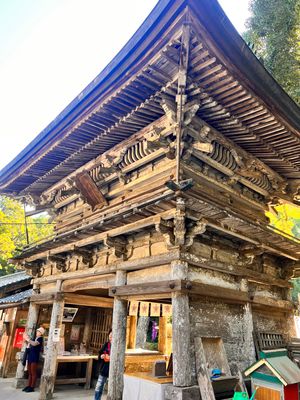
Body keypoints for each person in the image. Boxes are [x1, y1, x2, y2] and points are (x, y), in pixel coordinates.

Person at [22, 326, 45, 393]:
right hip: (30, 357)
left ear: (41, 333)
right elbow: (31, 345)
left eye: (38, 331)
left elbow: (34, 344)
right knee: (29, 373)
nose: (37, 332)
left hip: (34, 357)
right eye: (37, 331)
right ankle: (28, 386)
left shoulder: (40, 339)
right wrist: (27, 341)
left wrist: (28, 339)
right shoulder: (35, 338)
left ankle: (32, 387)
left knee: (33, 372)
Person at [94, 330, 112, 400]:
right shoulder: (106, 344)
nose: (110, 337)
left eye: (112, 336)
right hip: (104, 368)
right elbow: (100, 354)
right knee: (99, 386)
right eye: (110, 336)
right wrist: (101, 356)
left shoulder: (118, 346)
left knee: (111, 388)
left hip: (113, 370)